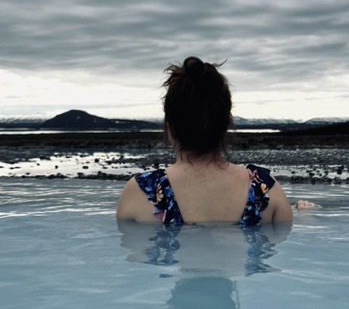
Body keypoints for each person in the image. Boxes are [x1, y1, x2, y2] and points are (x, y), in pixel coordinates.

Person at [116, 56, 293, 225]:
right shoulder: (265, 189)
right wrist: (308, 216)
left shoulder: (140, 191)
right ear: (226, 125)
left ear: (170, 128)